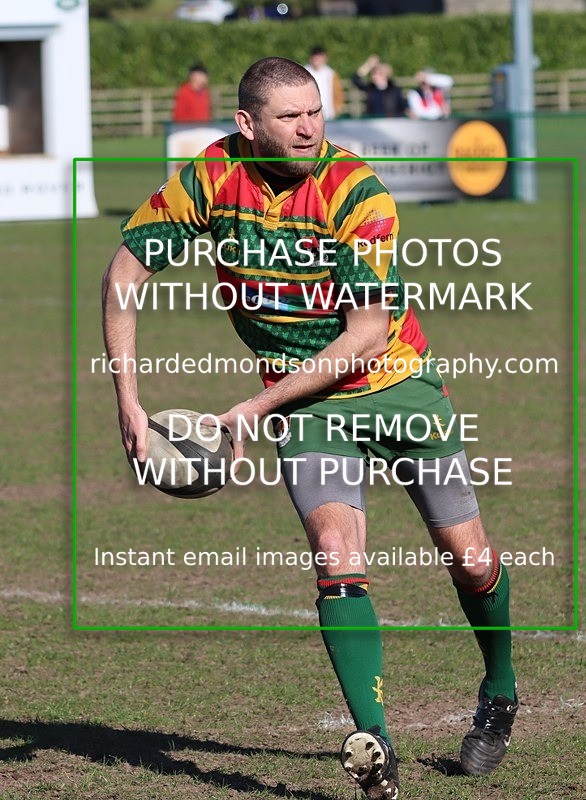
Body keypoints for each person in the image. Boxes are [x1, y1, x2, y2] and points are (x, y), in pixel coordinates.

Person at [102, 56, 518, 798]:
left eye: (315, 112)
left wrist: (255, 408)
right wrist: (128, 404)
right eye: (289, 116)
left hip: (396, 386)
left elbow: (366, 333)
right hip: (308, 406)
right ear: (246, 124)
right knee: (335, 556)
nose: (307, 128)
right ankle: (375, 747)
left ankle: (500, 687)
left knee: (471, 560)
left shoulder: (355, 189)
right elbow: (124, 274)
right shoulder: (211, 176)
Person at [303, 45, 344, 120]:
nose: (317, 59)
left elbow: (338, 94)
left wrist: (337, 110)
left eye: (319, 57)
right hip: (310, 114)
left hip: (329, 114)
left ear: (324, 58)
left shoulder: (331, 74)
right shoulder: (304, 73)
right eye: (315, 57)